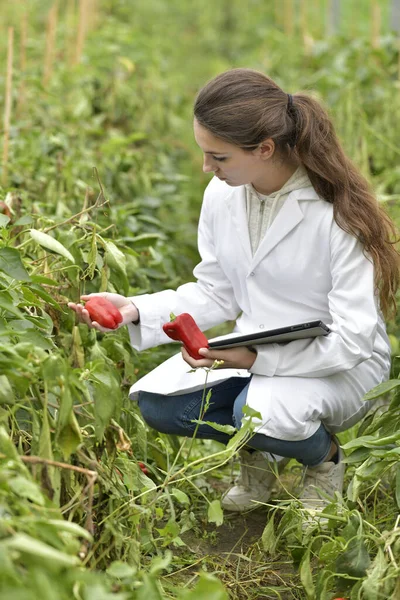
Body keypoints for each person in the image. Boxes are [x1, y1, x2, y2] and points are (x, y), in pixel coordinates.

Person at [69, 68, 399, 517]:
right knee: (160, 406)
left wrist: (255, 359)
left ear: (264, 149)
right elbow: (217, 292)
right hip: (252, 349)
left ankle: (324, 461)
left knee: (259, 413)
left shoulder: (336, 215)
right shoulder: (224, 196)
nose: (207, 168)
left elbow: (353, 341)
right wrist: (132, 310)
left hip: (338, 365)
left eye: (218, 157)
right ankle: (257, 453)